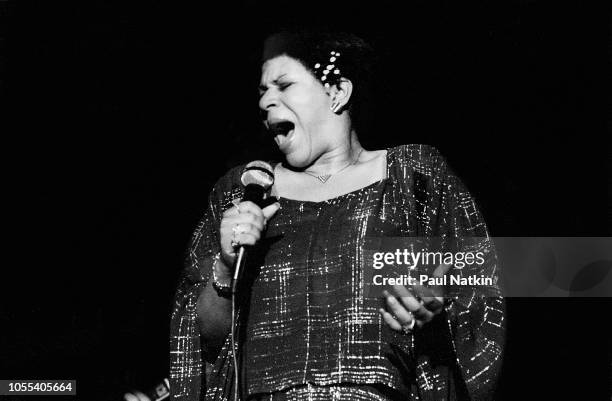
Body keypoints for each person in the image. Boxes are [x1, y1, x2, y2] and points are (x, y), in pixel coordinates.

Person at [169, 31, 505, 400]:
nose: (266, 100)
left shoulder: (411, 176)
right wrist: (225, 266)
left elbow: (484, 277)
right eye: (262, 91)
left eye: (283, 85)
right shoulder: (242, 191)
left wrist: (437, 299)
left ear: (337, 93)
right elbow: (203, 340)